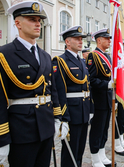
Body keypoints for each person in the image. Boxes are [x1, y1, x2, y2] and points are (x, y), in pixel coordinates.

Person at [0, 0, 64, 166]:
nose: (38, 24)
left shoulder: (45, 55)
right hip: (21, 129)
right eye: (32, 20)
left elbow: (53, 90)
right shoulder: (2, 54)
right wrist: (1, 141)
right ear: (18, 23)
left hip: (45, 126)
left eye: (39, 21)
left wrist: (58, 118)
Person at [52, 26, 93, 167]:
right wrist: (63, 118)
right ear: (67, 42)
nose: (80, 42)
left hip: (83, 111)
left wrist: (91, 109)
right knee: (70, 151)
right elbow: (59, 91)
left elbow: (88, 86)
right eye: (77, 39)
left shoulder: (82, 61)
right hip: (71, 112)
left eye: (81, 39)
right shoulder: (60, 61)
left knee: (80, 149)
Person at [87, 28, 116, 167]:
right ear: (99, 40)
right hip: (98, 100)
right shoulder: (93, 56)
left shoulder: (107, 56)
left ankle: (101, 153)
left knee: (104, 129)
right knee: (97, 129)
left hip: (107, 99)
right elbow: (91, 80)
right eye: (107, 38)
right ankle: (94, 157)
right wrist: (107, 85)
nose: (109, 41)